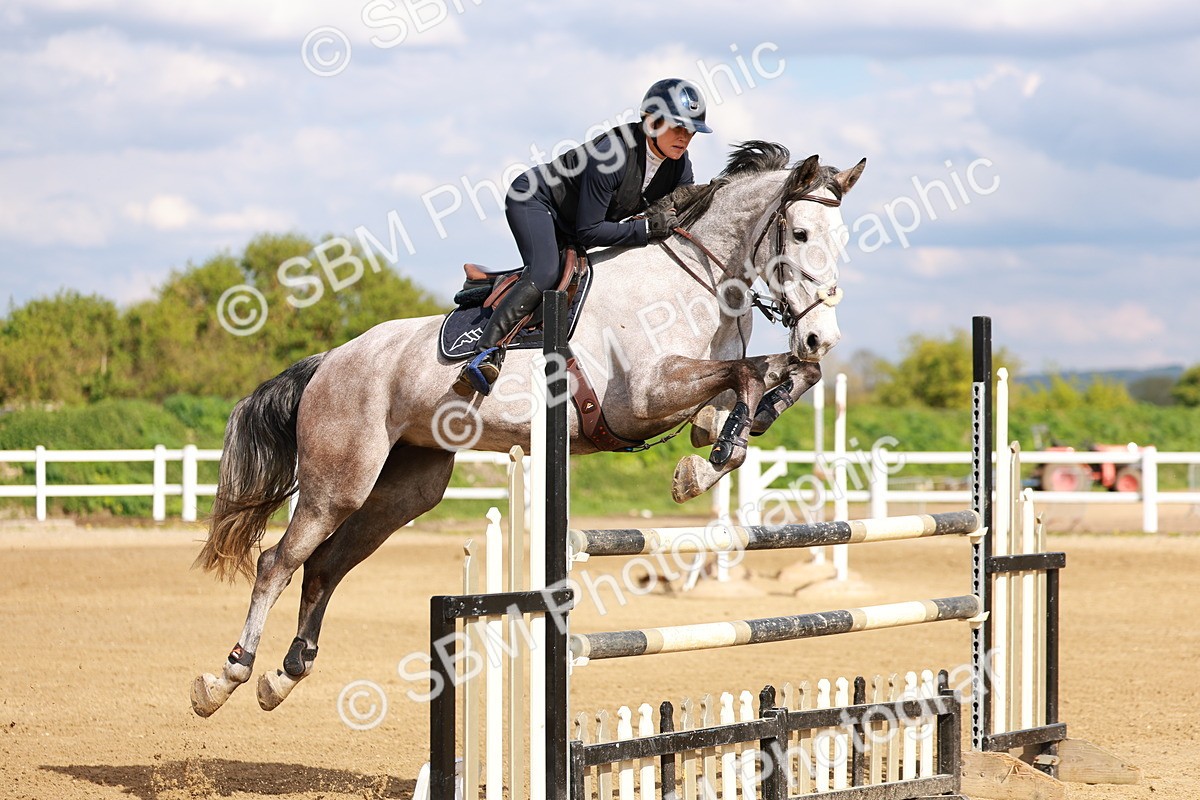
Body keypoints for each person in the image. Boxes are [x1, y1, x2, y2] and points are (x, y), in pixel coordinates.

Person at [452, 78, 713, 396]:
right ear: (651, 121)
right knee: (546, 271)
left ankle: (493, 282)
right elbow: (589, 231)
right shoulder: (611, 155)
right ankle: (484, 354)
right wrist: (644, 230)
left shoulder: (679, 166)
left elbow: (679, 216)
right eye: (678, 127)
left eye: (691, 130)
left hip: (573, 220)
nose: (685, 137)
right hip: (535, 200)